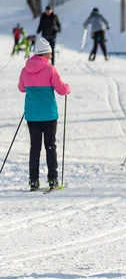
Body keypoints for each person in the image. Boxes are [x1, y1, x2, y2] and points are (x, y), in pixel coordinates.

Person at [17, 37, 71, 191]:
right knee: (50, 146)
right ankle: (53, 179)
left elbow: (21, 88)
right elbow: (62, 89)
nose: (51, 56)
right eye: (50, 53)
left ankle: (33, 180)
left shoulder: (24, 70)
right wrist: (68, 88)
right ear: (45, 54)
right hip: (48, 115)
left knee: (35, 147)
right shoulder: (51, 70)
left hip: (32, 115)